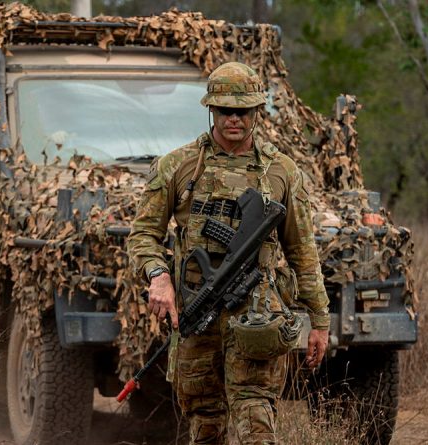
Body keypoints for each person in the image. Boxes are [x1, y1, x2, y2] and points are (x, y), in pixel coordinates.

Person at [126, 61, 330, 444]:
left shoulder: (282, 172)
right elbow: (143, 235)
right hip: (196, 313)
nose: (234, 119)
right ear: (210, 110)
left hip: (256, 316)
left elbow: (302, 249)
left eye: (243, 111)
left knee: (256, 421)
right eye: (225, 111)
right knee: (204, 422)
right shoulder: (177, 166)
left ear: (256, 112)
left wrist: (319, 319)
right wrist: (159, 275)